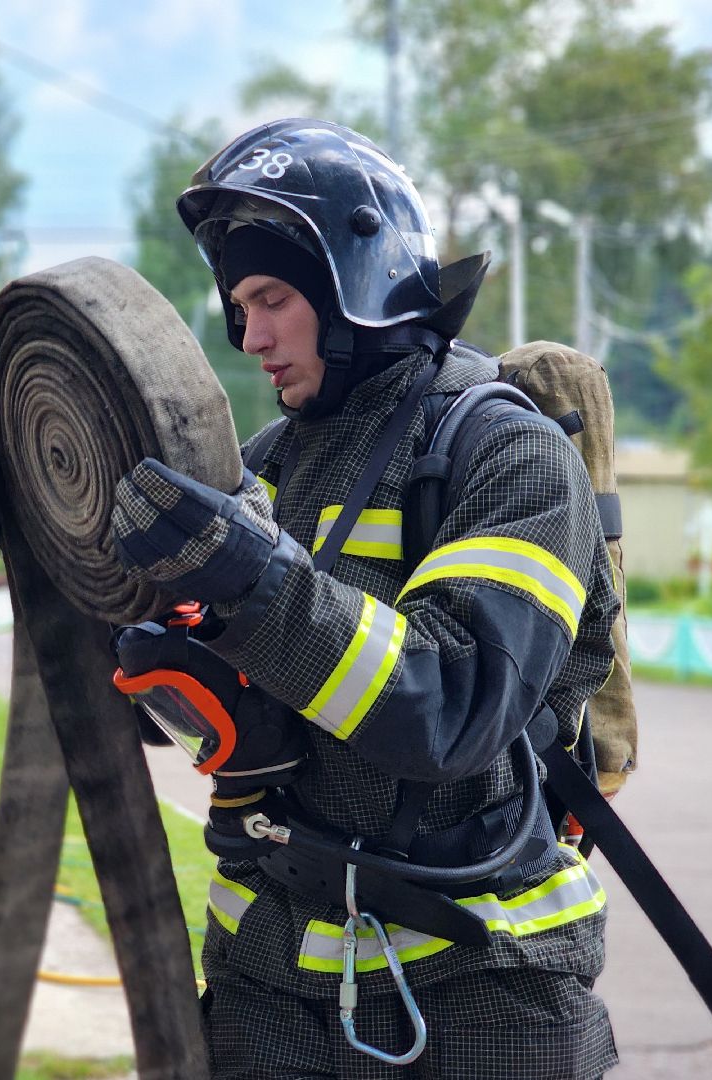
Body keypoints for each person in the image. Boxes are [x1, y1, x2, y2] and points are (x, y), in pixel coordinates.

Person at [109, 119, 621, 1078]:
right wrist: (59, 530)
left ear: (358, 284)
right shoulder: (260, 472)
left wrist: (251, 583)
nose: (249, 335)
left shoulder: (509, 457)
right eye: (238, 305)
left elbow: (454, 709)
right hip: (268, 989)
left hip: (478, 996)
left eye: (271, 298)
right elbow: (160, 704)